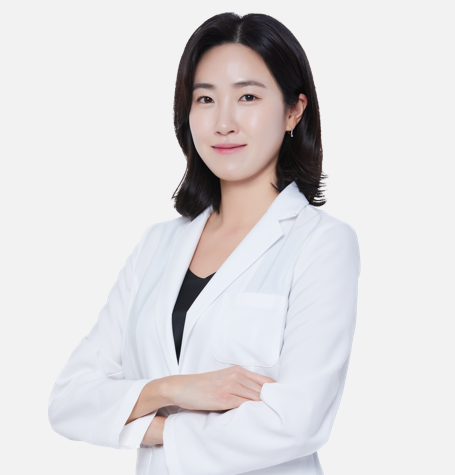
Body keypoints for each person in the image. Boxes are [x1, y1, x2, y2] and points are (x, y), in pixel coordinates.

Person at [48, 12, 360, 475]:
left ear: (294, 110)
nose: (223, 123)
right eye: (205, 99)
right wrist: (172, 389)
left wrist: (142, 423)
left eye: (248, 97)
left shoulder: (322, 244)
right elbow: (70, 400)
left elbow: (297, 421)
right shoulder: (157, 244)